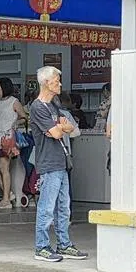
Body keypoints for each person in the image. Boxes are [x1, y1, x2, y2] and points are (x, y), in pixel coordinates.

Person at [30, 65, 87, 262]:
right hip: (49, 164)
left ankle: (64, 243)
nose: (60, 83)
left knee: (64, 207)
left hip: (62, 163)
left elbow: (69, 127)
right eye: (57, 80)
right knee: (46, 208)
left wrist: (59, 127)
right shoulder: (37, 107)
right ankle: (42, 247)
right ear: (46, 82)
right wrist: (58, 128)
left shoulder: (53, 105)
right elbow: (55, 133)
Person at [0, 77, 27, 210]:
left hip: (7, 138)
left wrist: (15, 123)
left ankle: (6, 199)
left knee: (3, 167)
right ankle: (8, 194)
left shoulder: (14, 102)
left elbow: (24, 117)